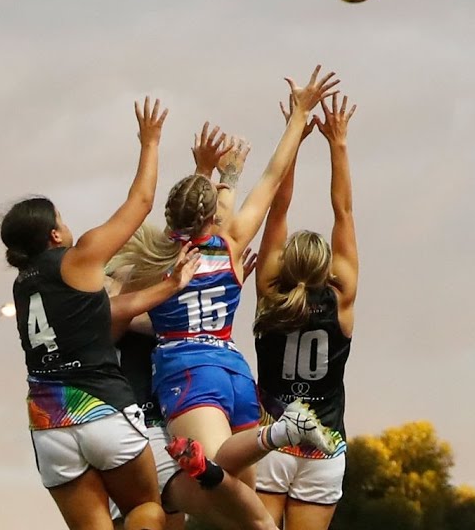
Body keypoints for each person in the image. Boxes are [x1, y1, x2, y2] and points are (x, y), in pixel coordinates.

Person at [106, 66, 342, 492]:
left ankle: (282, 431)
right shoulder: (230, 243)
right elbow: (271, 179)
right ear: (210, 215)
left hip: (187, 369)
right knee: (241, 499)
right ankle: (277, 433)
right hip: (233, 367)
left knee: (212, 464)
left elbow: (121, 308)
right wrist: (298, 116)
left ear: (169, 214)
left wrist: (191, 164)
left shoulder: (154, 258)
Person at [0, 97, 200, 530]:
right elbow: (142, 201)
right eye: (62, 218)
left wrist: (168, 286)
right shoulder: (78, 258)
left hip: (48, 423)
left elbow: (104, 312)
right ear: (55, 233)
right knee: (147, 509)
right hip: (104, 409)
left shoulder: (21, 287)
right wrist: (150, 141)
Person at [251, 95, 360, 530]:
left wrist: (294, 134)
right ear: (326, 267)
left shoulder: (269, 293)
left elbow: (277, 205)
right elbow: (344, 211)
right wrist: (339, 143)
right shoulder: (343, 297)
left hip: (272, 441)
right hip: (325, 444)